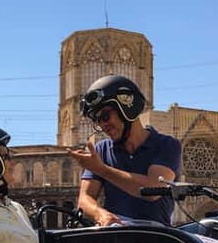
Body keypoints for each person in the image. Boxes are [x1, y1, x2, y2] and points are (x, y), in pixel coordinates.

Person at [69, 75, 182, 226]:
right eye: (97, 121)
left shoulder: (167, 145)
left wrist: (101, 169)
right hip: (116, 234)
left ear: (127, 108)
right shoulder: (101, 150)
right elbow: (84, 199)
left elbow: (153, 190)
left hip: (158, 237)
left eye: (105, 116)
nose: (103, 125)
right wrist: (100, 214)